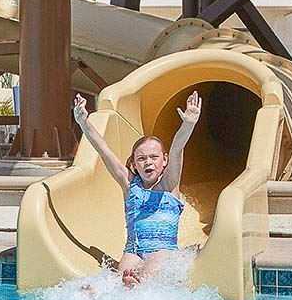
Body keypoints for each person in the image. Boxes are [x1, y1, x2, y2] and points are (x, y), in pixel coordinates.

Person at [72, 91, 201, 288]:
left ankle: (138, 283)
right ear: (133, 163)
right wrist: (83, 123)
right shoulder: (129, 184)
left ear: (164, 160)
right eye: (141, 159)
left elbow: (177, 149)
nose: (148, 162)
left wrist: (188, 124)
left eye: (154, 157)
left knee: (149, 275)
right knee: (113, 281)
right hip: (133, 251)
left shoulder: (169, 185)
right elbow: (103, 150)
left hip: (162, 250)